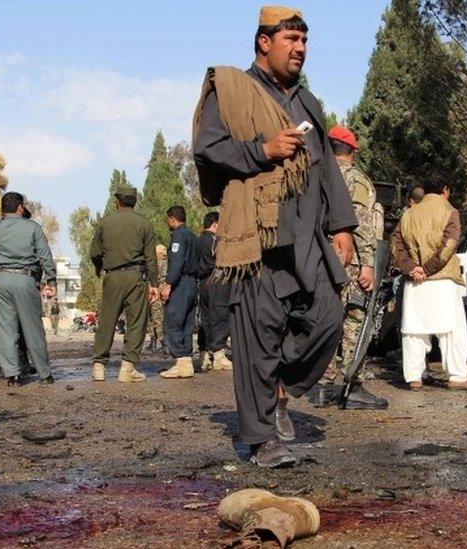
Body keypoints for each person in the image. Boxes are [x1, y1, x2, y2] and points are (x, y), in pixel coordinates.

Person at [192, 6, 358, 467]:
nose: (300, 49)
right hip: (258, 236)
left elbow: (327, 170)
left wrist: (341, 226)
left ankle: (279, 390)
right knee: (257, 336)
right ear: (264, 41)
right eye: (291, 40)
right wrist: (261, 150)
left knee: (327, 316)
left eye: (304, 41)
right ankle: (262, 439)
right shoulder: (231, 90)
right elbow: (207, 150)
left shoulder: (308, 103)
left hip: (307, 234)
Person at [391, 175, 467, 391]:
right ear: (446, 190)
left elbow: (396, 246)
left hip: (415, 282)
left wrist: (412, 268)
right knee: (453, 330)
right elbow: (449, 245)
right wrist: (428, 268)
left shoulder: (408, 215)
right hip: (442, 279)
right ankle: (457, 377)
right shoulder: (450, 211)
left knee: (414, 331)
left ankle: (413, 377)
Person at [320, 125, 387, 409]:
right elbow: (359, 224)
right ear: (352, 151)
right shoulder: (355, 179)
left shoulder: (317, 176)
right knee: (355, 319)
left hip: (320, 260)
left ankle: (323, 385)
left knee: (325, 319)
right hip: (349, 261)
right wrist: (368, 265)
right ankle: (353, 385)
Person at [0, 192, 56, 385]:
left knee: (5, 329)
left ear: (3, 209)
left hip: (0, 280)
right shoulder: (33, 228)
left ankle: (12, 375)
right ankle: (44, 374)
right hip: (25, 279)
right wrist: (51, 280)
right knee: (33, 328)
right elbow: (45, 255)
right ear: (20, 207)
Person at [89, 184, 159, 383]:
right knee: (136, 322)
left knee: (106, 321)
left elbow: (94, 252)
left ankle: (99, 367)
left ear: (116, 201)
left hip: (112, 276)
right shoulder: (144, 224)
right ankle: (127, 369)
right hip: (136, 277)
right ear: (134, 202)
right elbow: (151, 258)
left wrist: (99, 267)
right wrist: (154, 283)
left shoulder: (105, 222)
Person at [159, 205, 203, 379]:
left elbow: (176, 262)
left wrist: (169, 284)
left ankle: (180, 359)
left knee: (172, 321)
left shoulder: (178, 235)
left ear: (172, 219)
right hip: (193, 283)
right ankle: (186, 361)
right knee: (186, 323)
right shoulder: (193, 236)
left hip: (181, 283)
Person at [0, 248, 32, 380]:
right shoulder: (0, 234)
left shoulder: (22, 232)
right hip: (4, 285)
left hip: (14, 283)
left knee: (20, 324)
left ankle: (22, 362)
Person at [197, 211, 233, 371]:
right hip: (217, 281)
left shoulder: (198, 240)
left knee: (205, 318)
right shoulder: (214, 240)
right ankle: (219, 355)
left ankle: (204, 354)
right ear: (215, 224)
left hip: (204, 282)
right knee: (220, 315)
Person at [146, 244, 167, 352]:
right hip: (152, 293)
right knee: (153, 318)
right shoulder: (155, 264)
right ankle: (154, 341)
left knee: (156, 318)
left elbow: (162, 280)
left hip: (156, 294)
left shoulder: (161, 264)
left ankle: (161, 342)